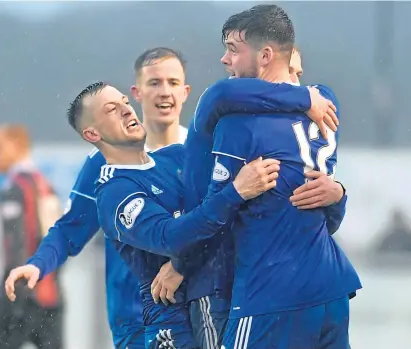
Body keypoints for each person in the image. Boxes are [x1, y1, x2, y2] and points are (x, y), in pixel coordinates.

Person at [151, 48, 346, 349]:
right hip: (209, 278)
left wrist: (338, 194)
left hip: (252, 283)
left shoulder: (287, 126)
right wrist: (182, 263)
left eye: (297, 77)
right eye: (156, 82)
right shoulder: (224, 115)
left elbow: (320, 217)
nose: (290, 85)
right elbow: (220, 93)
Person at [67, 81, 283, 349]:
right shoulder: (113, 193)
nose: (126, 110)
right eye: (112, 109)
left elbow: (236, 207)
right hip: (175, 326)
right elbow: (171, 237)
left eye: (124, 102)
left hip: (229, 301)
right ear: (92, 134)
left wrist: (334, 194)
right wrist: (236, 191)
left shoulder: (177, 156)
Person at [4, 47, 191, 349]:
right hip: (132, 318)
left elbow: (219, 223)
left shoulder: (198, 152)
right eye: (154, 82)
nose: (164, 91)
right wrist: (38, 264)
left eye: (172, 82)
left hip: (192, 312)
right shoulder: (103, 162)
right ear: (137, 91)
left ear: (185, 91)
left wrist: (183, 263)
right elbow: (70, 228)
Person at [207, 5, 361, 349]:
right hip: (329, 288)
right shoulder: (325, 105)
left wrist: (179, 263)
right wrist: (339, 194)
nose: (224, 60)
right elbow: (324, 212)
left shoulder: (236, 123)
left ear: (264, 56)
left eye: (233, 50)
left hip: (269, 293)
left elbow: (213, 221)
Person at [0, 124, 64, 349]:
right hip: (50, 292)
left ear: (17, 147)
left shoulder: (14, 187)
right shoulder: (46, 185)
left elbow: (15, 244)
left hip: (20, 294)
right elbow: (58, 239)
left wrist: (13, 294)